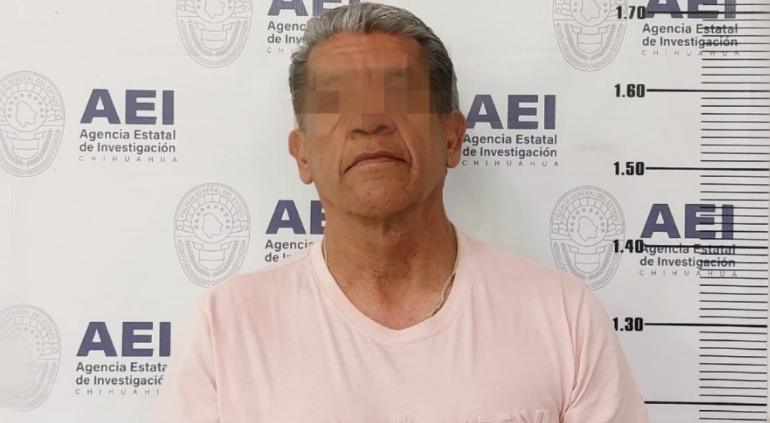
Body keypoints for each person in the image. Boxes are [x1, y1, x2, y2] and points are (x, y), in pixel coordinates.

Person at [153, 3, 650, 422]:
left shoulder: (561, 317)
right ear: (302, 155)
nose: (370, 121)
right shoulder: (227, 327)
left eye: (397, 95)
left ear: (452, 137)